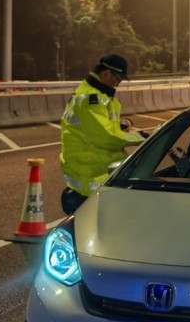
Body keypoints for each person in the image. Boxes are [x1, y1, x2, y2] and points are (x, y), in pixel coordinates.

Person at [60, 54, 146, 214]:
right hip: (90, 177)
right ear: (107, 74)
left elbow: (98, 125)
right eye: (118, 80)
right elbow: (105, 137)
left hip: (94, 173)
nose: (117, 85)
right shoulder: (91, 99)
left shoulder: (96, 94)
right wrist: (141, 138)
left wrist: (120, 125)